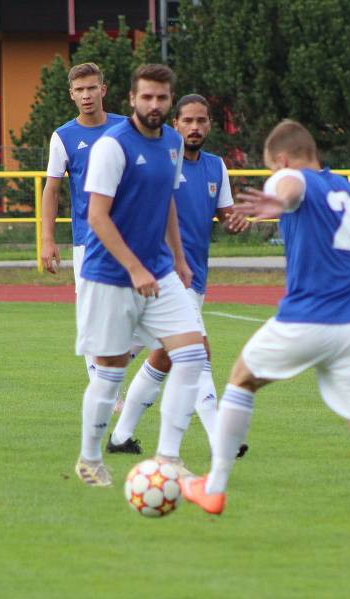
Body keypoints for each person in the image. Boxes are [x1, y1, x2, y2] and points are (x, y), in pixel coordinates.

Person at [181, 120, 350, 549]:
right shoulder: (349, 190)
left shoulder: (288, 177)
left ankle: (215, 486)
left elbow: (289, 190)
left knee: (242, 376)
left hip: (308, 316)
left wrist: (276, 201)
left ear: (281, 159)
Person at [74, 64, 206, 487]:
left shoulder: (172, 140)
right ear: (131, 99)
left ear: (170, 100)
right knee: (110, 370)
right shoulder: (113, 146)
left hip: (161, 273)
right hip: (111, 275)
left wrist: (180, 260)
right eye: (146, 97)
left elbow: (167, 201)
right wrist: (133, 268)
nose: (154, 104)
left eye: (162, 98)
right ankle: (90, 459)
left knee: (192, 353)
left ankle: (168, 457)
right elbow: (97, 216)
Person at [107, 94, 250, 458]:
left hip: (194, 277)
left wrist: (237, 222)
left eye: (202, 121)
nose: (195, 127)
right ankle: (221, 438)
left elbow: (227, 217)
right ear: (175, 124)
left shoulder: (217, 167)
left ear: (210, 125)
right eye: (188, 121)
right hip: (162, 275)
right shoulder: (158, 162)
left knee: (164, 356)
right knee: (196, 352)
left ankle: (121, 436)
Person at [41, 62, 128, 381]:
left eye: (92, 88)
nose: (87, 95)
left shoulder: (128, 129)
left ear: (103, 90)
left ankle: (111, 369)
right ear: (71, 95)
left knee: (146, 312)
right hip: (87, 242)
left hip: (132, 237)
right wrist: (47, 240)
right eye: (80, 90)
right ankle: (103, 387)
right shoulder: (63, 136)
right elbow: (51, 190)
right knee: (94, 316)